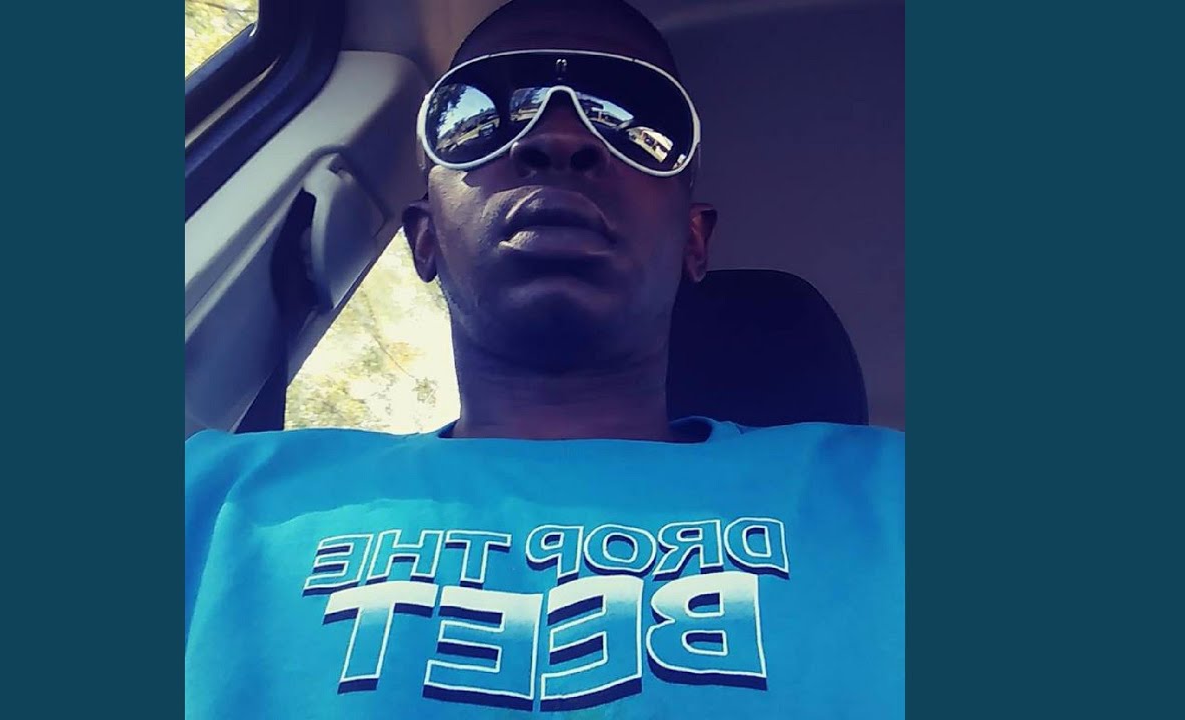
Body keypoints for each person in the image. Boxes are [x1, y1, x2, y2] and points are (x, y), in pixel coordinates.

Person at [185, 0, 903, 717]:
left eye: (632, 116)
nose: (559, 137)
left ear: (694, 241)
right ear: (423, 238)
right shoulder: (214, 497)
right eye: (482, 113)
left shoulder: (891, 495)